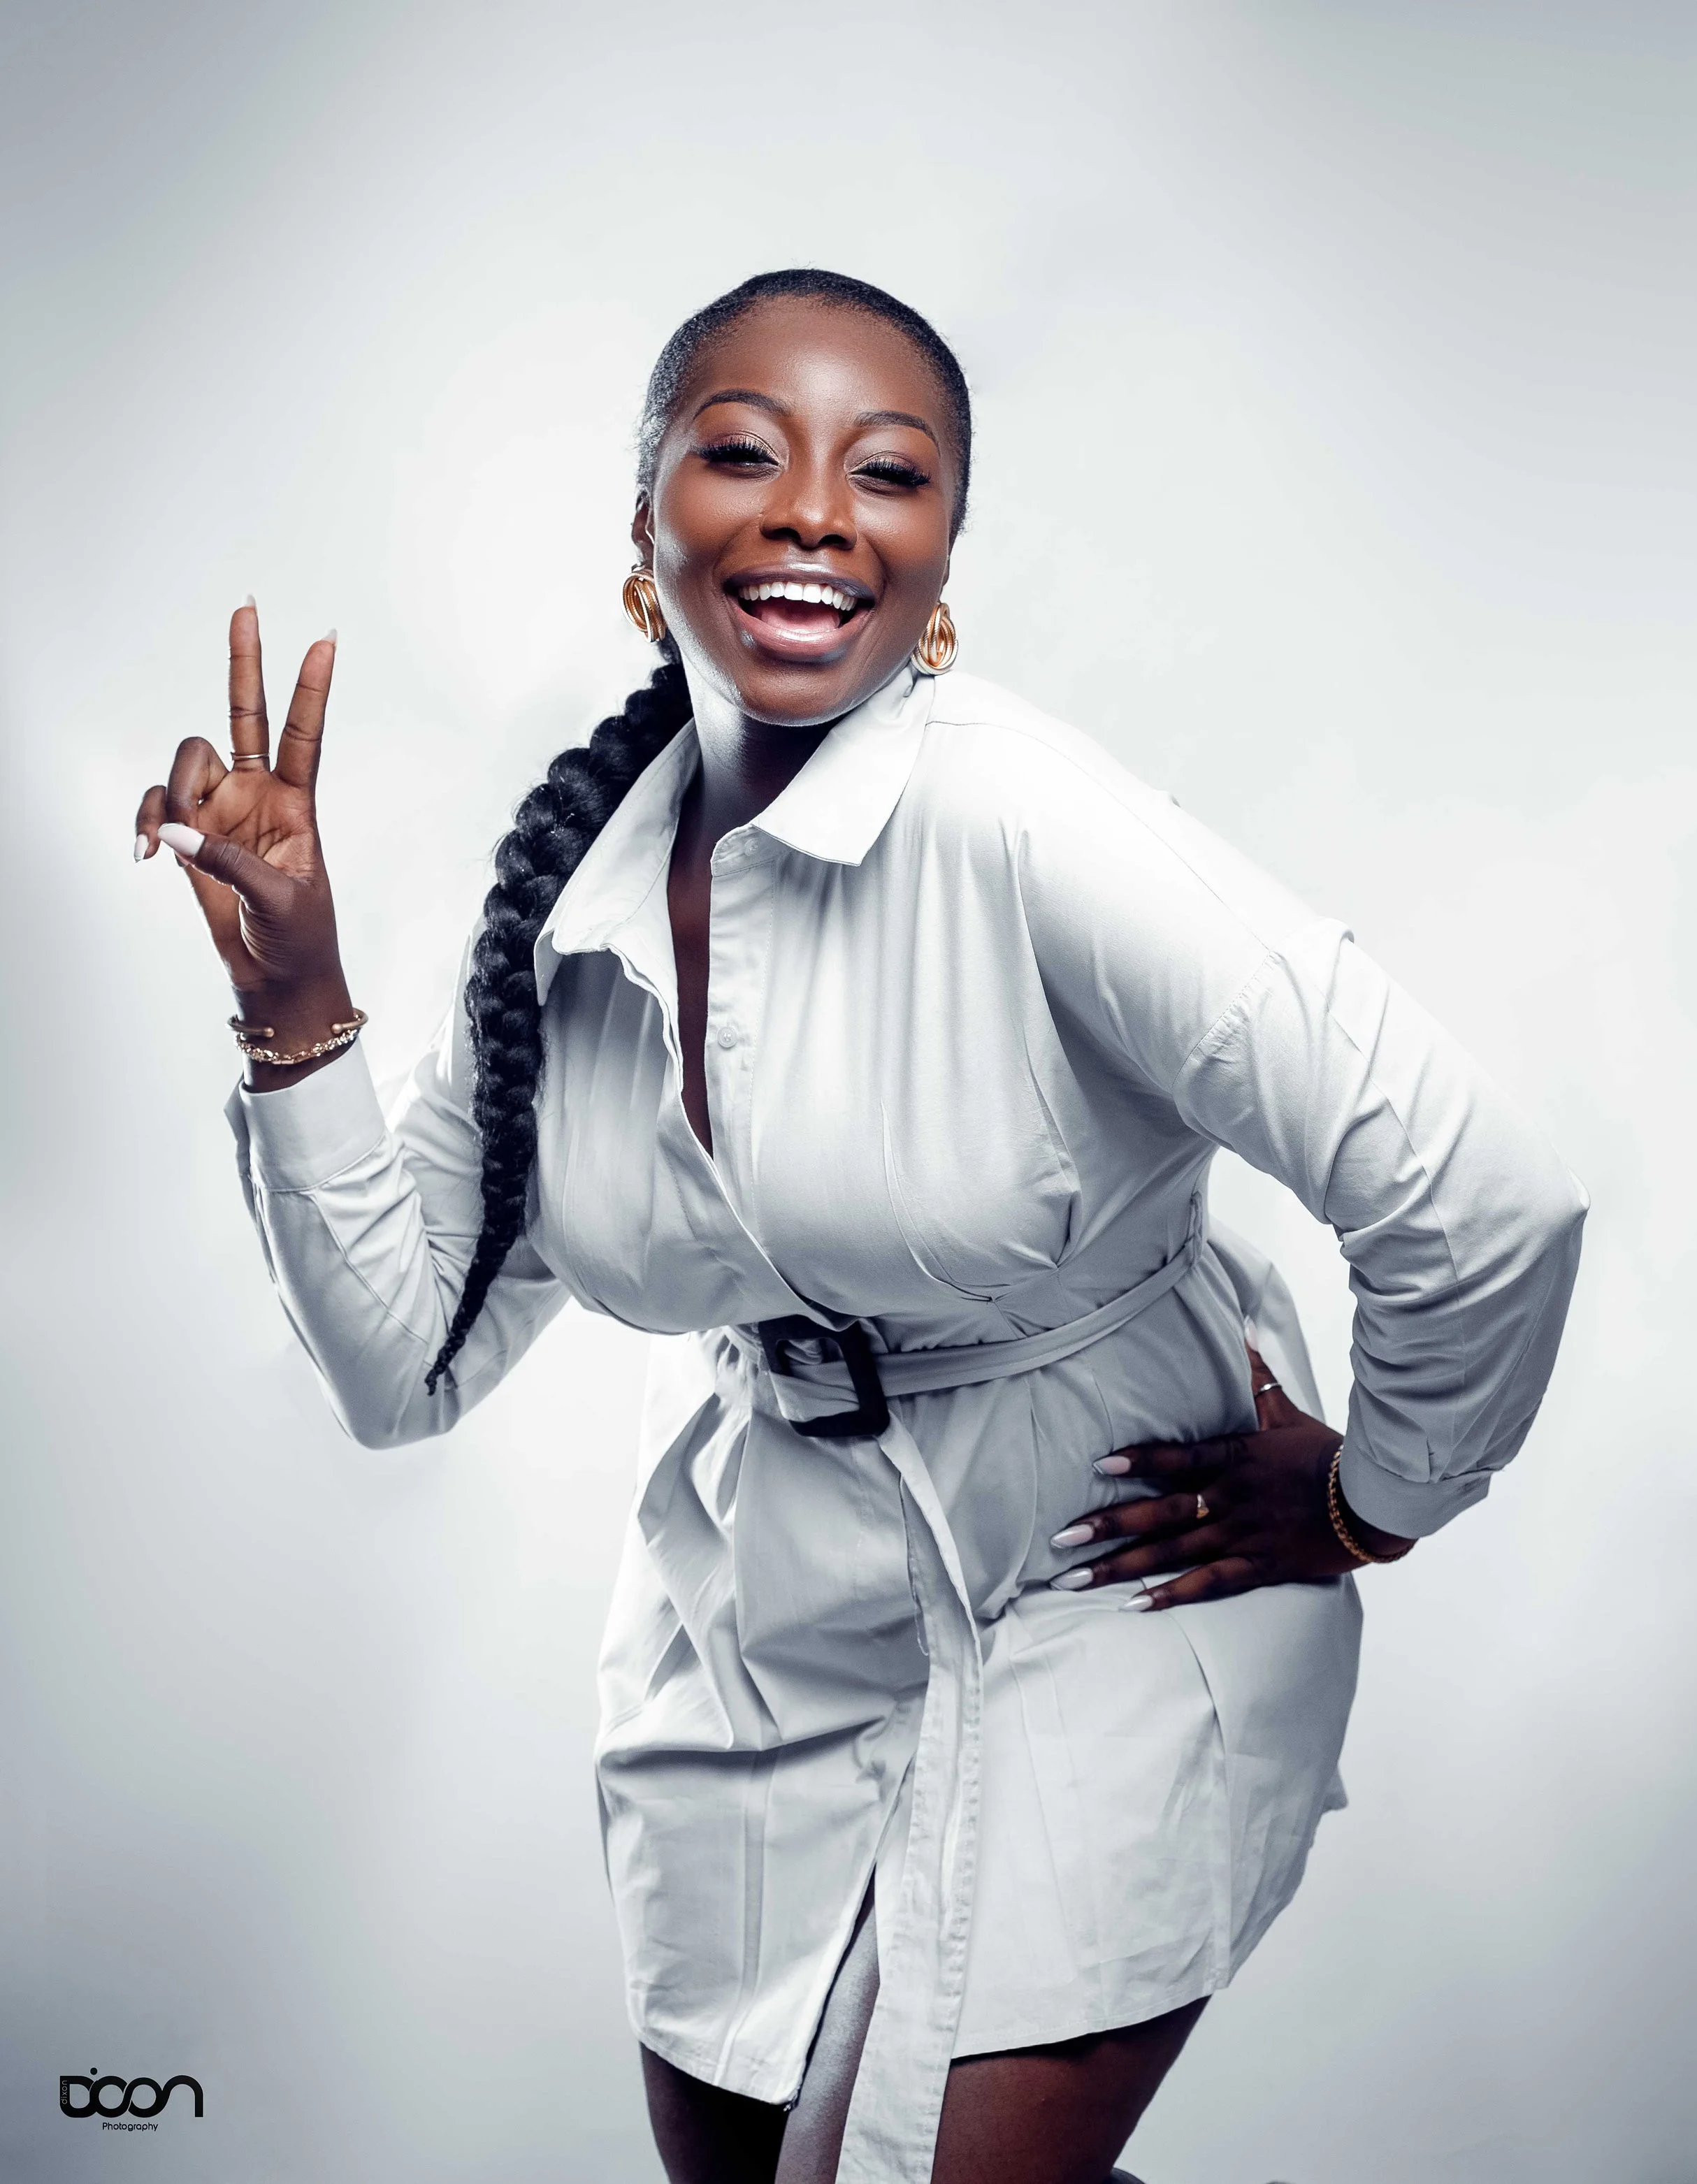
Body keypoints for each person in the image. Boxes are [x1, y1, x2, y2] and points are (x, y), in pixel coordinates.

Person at [136, 269, 1587, 2184]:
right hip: (757, 1633)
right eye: (741, 450)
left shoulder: (1025, 825)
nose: (816, 507)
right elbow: (400, 1366)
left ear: (939, 563)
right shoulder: (567, 905)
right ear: (643, 531)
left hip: (1112, 1581)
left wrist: (1366, 1497)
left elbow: (1482, 1199)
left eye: (885, 472)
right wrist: (293, 1004)